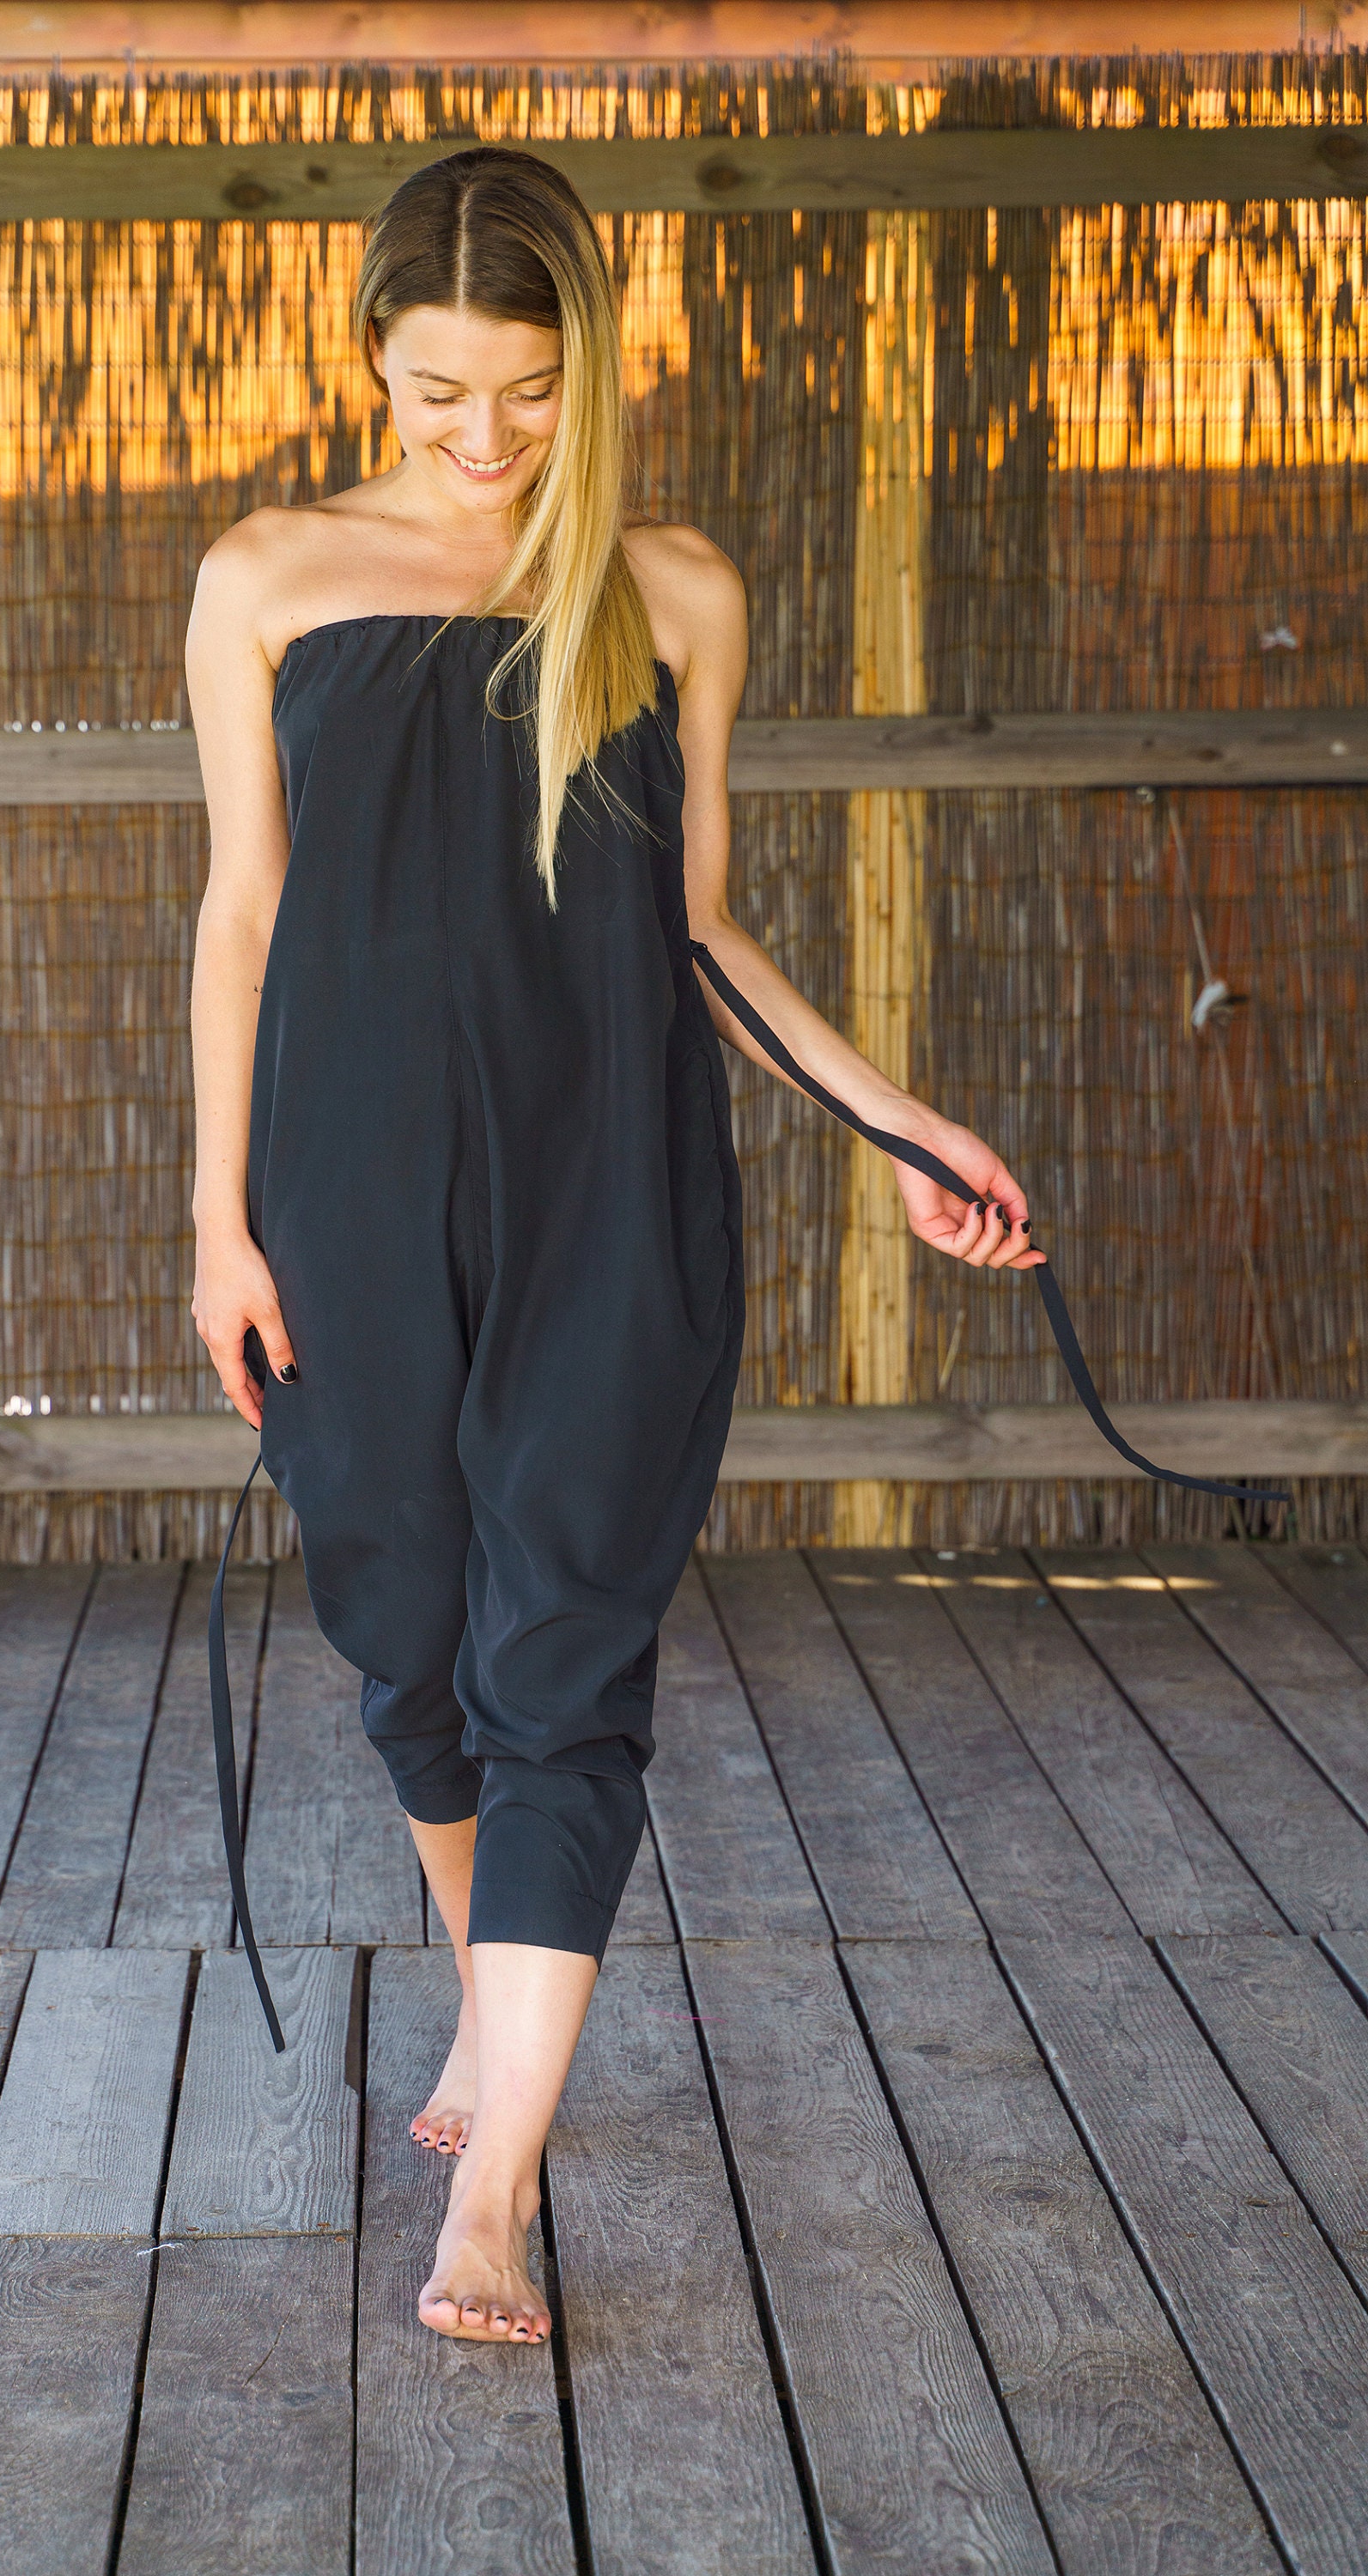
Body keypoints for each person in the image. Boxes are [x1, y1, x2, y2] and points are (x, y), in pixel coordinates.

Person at [185, 144, 1040, 2347]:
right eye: (436, 391)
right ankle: (491, 2013)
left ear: (591, 369)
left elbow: (698, 928)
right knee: (406, 1646)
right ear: (372, 365)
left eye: (529, 391)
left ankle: (494, 2200)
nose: (482, 435)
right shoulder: (268, 575)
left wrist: (896, 1121)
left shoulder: (667, 596)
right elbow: (242, 916)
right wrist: (215, 1223)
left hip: (610, 1193)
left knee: (558, 1663)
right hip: (345, 1197)